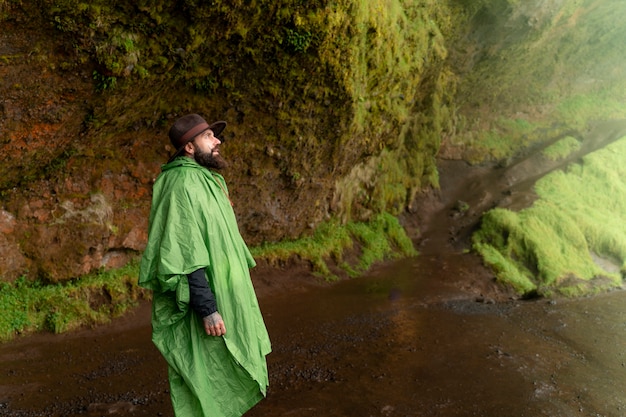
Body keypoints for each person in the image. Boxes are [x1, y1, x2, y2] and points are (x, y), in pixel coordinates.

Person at [138, 114, 271, 417]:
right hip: (203, 299)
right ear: (189, 147)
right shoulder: (181, 184)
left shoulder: (206, 180)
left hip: (225, 291)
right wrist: (207, 308)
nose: (217, 142)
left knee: (221, 368)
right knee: (203, 370)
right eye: (210, 136)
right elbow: (182, 251)